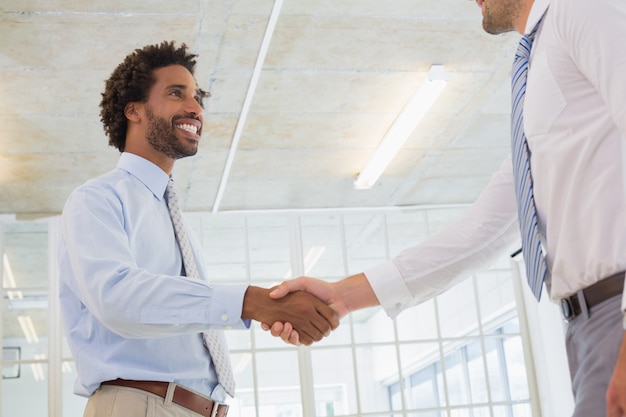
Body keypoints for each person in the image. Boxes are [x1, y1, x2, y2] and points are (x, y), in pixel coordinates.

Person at [264, 0, 626, 416]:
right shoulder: (536, 65)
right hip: (586, 329)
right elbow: (484, 230)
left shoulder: (585, 9)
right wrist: (342, 297)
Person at [57, 41, 339, 417]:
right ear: (134, 110)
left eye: (198, 98)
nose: (196, 108)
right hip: (138, 405)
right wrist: (251, 302)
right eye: (177, 94)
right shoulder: (97, 199)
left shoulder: (175, 218)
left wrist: (272, 309)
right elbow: (117, 298)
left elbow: (181, 313)